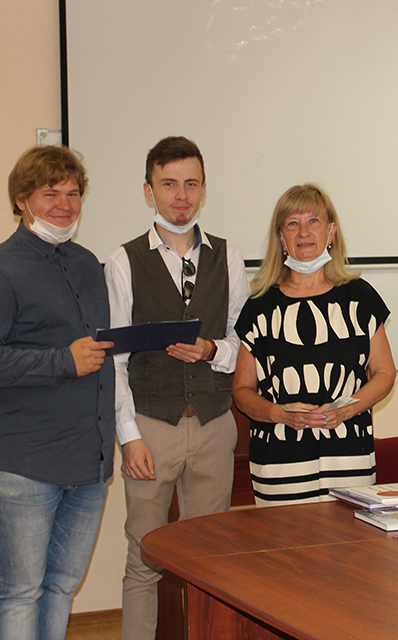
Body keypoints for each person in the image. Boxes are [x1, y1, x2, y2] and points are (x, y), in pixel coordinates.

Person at [0, 146, 114, 640]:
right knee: (19, 590)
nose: (64, 204)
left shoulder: (87, 264)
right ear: (22, 200)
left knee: (61, 587)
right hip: (22, 463)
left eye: (73, 193)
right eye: (51, 193)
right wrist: (62, 361)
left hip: (87, 463)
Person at [103, 136, 248, 640]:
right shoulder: (123, 262)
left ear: (204, 190)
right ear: (149, 191)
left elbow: (241, 343)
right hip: (151, 426)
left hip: (213, 423)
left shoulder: (230, 257)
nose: (180, 195)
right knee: (144, 558)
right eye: (168, 184)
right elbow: (115, 359)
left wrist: (211, 351)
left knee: (211, 561)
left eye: (190, 184)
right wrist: (129, 437)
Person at [232, 184, 396, 505]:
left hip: (349, 455)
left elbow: (385, 373)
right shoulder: (260, 306)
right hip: (279, 462)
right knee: (286, 539)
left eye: (313, 221)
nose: (304, 232)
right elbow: (241, 390)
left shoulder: (360, 297)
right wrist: (279, 414)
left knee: (347, 537)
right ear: (281, 238)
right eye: (292, 223)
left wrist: (349, 408)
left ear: (330, 231)